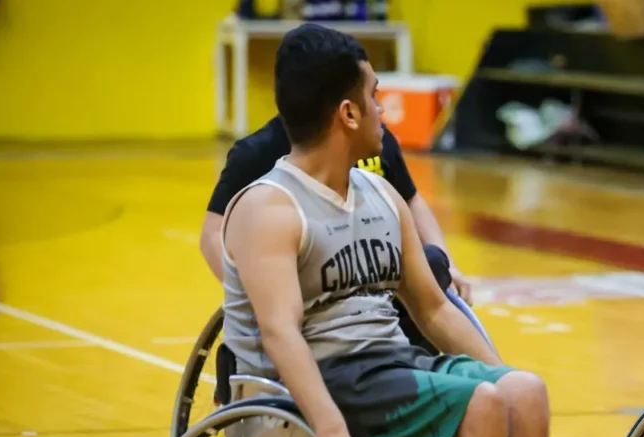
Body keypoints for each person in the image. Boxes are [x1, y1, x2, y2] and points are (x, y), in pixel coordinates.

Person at [219, 24, 603, 437]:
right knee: (480, 405)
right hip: (306, 386)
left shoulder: (378, 192)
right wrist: (332, 433)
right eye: (374, 95)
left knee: (523, 392)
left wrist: (501, 379)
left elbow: (434, 308)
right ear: (346, 112)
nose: (382, 107)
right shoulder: (269, 206)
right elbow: (279, 335)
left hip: (384, 368)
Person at [202, 98, 472, 355]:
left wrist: (451, 263)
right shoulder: (256, 153)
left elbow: (411, 199)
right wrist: (259, 294)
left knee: (434, 262)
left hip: (374, 279)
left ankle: (410, 361)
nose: (378, 106)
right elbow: (212, 235)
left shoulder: (374, 139)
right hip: (314, 283)